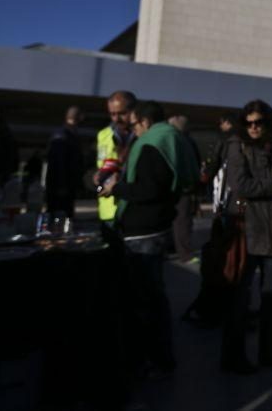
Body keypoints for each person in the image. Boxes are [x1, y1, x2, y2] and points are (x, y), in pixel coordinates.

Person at [98, 100, 198, 376]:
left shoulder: (152, 143)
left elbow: (148, 189)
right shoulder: (173, 138)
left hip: (143, 230)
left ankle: (152, 356)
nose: (133, 130)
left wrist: (117, 188)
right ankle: (159, 353)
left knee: (145, 297)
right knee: (153, 295)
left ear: (143, 121)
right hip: (158, 225)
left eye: (133, 124)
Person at [220, 100, 272, 374]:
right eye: (249, 122)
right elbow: (239, 185)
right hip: (246, 229)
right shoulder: (236, 145)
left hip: (270, 228)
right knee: (241, 297)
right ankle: (233, 356)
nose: (253, 128)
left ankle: (271, 351)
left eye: (259, 123)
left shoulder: (271, 147)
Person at [94, 91, 138, 227]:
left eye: (121, 113)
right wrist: (95, 177)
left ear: (134, 111)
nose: (116, 119)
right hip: (108, 212)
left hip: (134, 210)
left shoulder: (143, 134)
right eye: (112, 114)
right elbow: (99, 167)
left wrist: (121, 177)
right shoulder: (103, 135)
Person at [168, 114, 202, 262]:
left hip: (172, 187)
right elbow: (195, 164)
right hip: (184, 188)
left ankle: (173, 248)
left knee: (174, 220)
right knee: (183, 221)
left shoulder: (171, 141)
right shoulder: (187, 142)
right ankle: (185, 253)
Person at [45, 106, 85, 217]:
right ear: (79, 117)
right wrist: (62, 184)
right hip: (61, 184)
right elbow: (60, 161)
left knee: (63, 214)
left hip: (64, 184)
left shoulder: (66, 134)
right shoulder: (64, 135)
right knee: (60, 215)